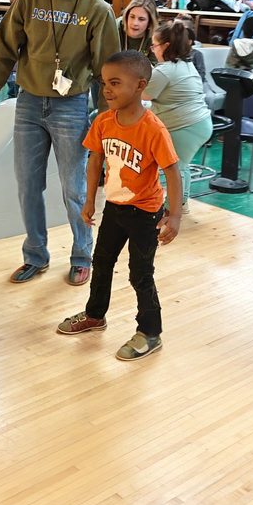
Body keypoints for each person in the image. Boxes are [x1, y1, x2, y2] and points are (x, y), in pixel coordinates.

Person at [0, 0, 120, 286]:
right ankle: (35, 255)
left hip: (71, 108)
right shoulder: (29, 2)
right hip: (29, 104)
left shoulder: (96, 10)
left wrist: (108, 119)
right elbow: (3, 52)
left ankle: (83, 254)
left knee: (75, 188)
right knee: (28, 185)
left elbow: (108, 70)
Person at [56, 51, 181, 361]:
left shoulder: (153, 129)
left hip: (145, 213)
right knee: (101, 262)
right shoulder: (103, 121)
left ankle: (150, 332)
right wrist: (88, 201)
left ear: (140, 86)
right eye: (103, 83)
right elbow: (95, 158)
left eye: (115, 83)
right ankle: (95, 315)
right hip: (114, 207)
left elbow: (172, 172)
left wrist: (175, 215)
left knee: (140, 273)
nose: (106, 90)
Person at [147, 19, 213, 214]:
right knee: (181, 165)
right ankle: (181, 205)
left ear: (166, 46)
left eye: (155, 45)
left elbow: (144, 94)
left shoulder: (166, 70)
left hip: (186, 126)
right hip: (200, 123)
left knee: (173, 167)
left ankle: (172, 208)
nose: (152, 50)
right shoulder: (185, 64)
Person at [118, 0, 158, 65]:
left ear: (150, 22)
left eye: (141, 19)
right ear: (126, 16)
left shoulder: (156, 37)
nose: (135, 23)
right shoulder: (115, 29)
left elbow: (154, 68)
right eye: (132, 17)